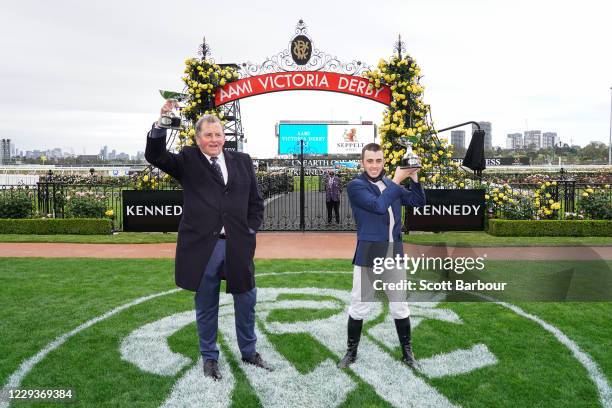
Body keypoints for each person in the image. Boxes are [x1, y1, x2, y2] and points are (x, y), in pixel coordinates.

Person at [145, 100, 272, 381]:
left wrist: (250, 230)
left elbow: (255, 202)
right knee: (206, 304)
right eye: (208, 135)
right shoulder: (188, 159)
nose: (214, 140)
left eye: (218, 134)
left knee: (246, 299)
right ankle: (209, 358)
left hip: (238, 244)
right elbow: (155, 156)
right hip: (204, 246)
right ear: (197, 138)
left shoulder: (242, 160)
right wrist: (160, 123)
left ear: (224, 137)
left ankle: (249, 352)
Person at [338, 143, 426, 370]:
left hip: (393, 254)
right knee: (359, 305)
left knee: (400, 306)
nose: (374, 165)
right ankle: (351, 352)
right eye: (370, 161)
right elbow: (378, 206)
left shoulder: (389, 184)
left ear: (383, 161)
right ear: (362, 162)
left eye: (378, 161)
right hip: (368, 254)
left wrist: (415, 178)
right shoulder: (356, 186)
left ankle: (408, 353)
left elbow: (417, 202)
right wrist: (397, 181)